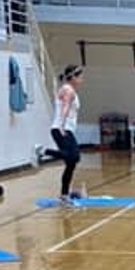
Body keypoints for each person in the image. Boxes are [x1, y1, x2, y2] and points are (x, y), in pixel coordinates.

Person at [40, 65, 84, 206]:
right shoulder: (67, 90)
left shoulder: (70, 90)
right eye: (80, 76)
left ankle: (64, 195)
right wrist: (61, 126)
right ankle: (43, 151)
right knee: (74, 156)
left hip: (67, 129)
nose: (82, 79)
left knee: (71, 163)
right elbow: (64, 108)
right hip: (61, 129)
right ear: (73, 77)